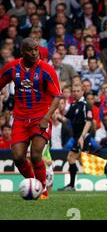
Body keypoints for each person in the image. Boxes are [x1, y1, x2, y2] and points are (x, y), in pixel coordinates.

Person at [0, 37, 62, 199]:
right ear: (22, 51)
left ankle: (42, 190)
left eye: (36, 49)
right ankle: (33, 184)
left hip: (40, 117)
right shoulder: (12, 68)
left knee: (35, 155)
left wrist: (46, 117)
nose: (34, 52)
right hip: (20, 119)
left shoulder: (46, 69)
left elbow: (57, 96)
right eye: (30, 50)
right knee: (18, 157)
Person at [58, 84, 107, 191]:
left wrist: (82, 136)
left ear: (82, 92)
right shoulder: (74, 104)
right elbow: (66, 119)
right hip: (77, 137)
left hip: (83, 137)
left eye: (77, 91)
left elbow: (89, 122)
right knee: (81, 161)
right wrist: (56, 114)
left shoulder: (85, 105)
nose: (75, 93)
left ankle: (71, 185)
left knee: (71, 157)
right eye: (74, 91)